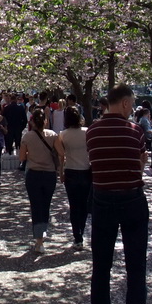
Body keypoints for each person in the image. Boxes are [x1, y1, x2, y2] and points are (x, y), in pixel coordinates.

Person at [86, 85, 149, 304]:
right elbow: (140, 164)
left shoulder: (93, 132)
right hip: (132, 200)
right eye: (131, 103)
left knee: (101, 267)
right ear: (124, 103)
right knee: (136, 272)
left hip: (102, 199)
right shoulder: (135, 132)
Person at [19, 108, 62, 253]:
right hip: (49, 175)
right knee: (46, 205)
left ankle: (39, 240)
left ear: (32, 121)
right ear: (45, 121)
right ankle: (42, 234)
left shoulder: (27, 137)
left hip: (33, 175)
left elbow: (22, 158)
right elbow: (61, 153)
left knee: (36, 205)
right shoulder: (53, 135)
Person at [60, 106, 91, 249]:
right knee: (83, 205)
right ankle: (81, 232)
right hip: (85, 170)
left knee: (73, 205)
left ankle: (76, 236)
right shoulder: (87, 132)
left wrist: (61, 172)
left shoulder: (63, 134)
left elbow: (61, 156)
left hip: (70, 171)